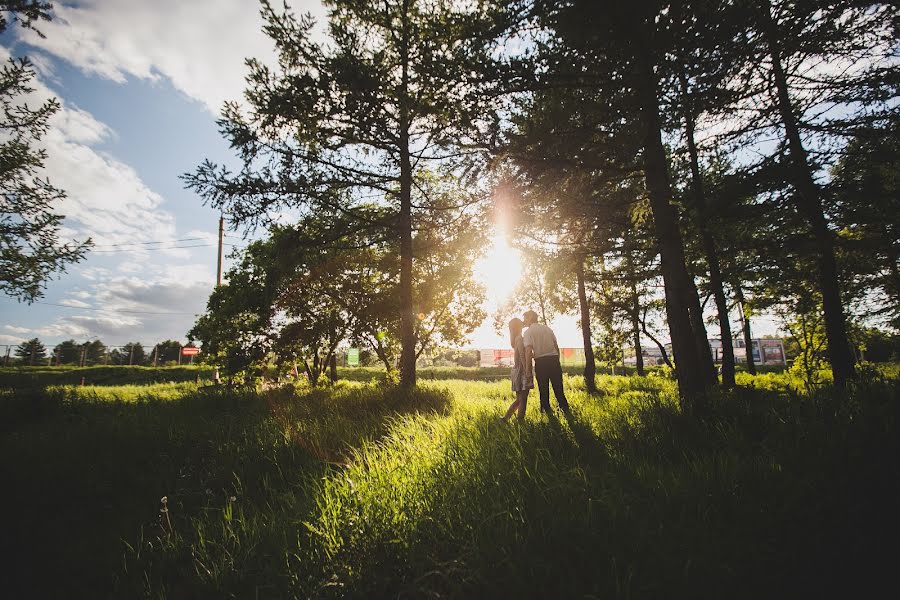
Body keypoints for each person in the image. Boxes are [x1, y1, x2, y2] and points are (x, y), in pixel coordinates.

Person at [522, 310, 570, 415]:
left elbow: (528, 351)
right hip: (554, 360)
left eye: (524, 318)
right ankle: (566, 411)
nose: (523, 321)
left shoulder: (528, 332)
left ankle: (546, 414)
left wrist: (527, 370)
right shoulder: (547, 329)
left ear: (530, 317)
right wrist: (556, 361)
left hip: (541, 362)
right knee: (559, 389)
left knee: (543, 391)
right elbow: (556, 347)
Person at [502, 317, 532, 421]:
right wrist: (528, 372)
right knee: (523, 399)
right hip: (522, 371)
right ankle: (520, 421)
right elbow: (523, 356)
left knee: (519, 399)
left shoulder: (515, 339)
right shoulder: (520, 338)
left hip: (517, 370)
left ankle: (506, 418)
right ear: (519, 327)